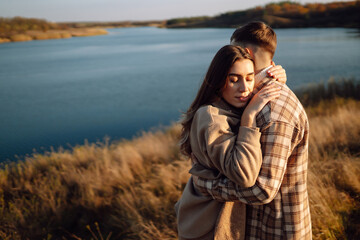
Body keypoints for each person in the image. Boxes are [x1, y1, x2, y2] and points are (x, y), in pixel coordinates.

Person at [192, 21, 312, 240]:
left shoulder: (272, 110)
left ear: (246, 53)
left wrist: (205, 185)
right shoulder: (254, 96)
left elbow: (261, 190)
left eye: (235, 49)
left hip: (277, 228)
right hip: (256, 225)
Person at [175, 45, 285, 240]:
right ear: (218, 81)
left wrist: (274, 77)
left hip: (221, 224)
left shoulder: (231, 103)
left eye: (250, 78)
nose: (245, 88)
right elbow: (245, 176)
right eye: (233, 80)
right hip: (207, 228)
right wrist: (249, 118)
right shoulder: (210, 116)